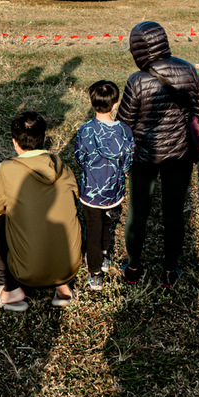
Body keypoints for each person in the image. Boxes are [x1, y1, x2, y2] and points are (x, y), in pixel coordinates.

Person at [117, 21, 199, 287]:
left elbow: (125, 123)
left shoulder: (137, 80)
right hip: (180, 155)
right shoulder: (188, 69)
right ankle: (170, 270)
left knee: (138, 210)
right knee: (174, 211)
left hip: (144, 157)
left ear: (139, 49)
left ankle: (133, 266)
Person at [0, 111, 82, 310]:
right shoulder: (62, 166)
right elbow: (74, 198)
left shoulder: (7, 169)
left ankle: (10, 288)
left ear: (14, 142)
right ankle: (63, 288)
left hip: (26, 271)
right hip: (69, 267)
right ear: (44, 139)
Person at [72, 80, 134, 289]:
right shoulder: (124, 130)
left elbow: (80, 157)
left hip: (90, 190)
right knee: (107, 219)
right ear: (116, 104)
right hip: (113, 189)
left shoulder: (84, 130)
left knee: (92, 227)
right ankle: (105, 254)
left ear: (91, 102)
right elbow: (128, 160)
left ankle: (95, 271)